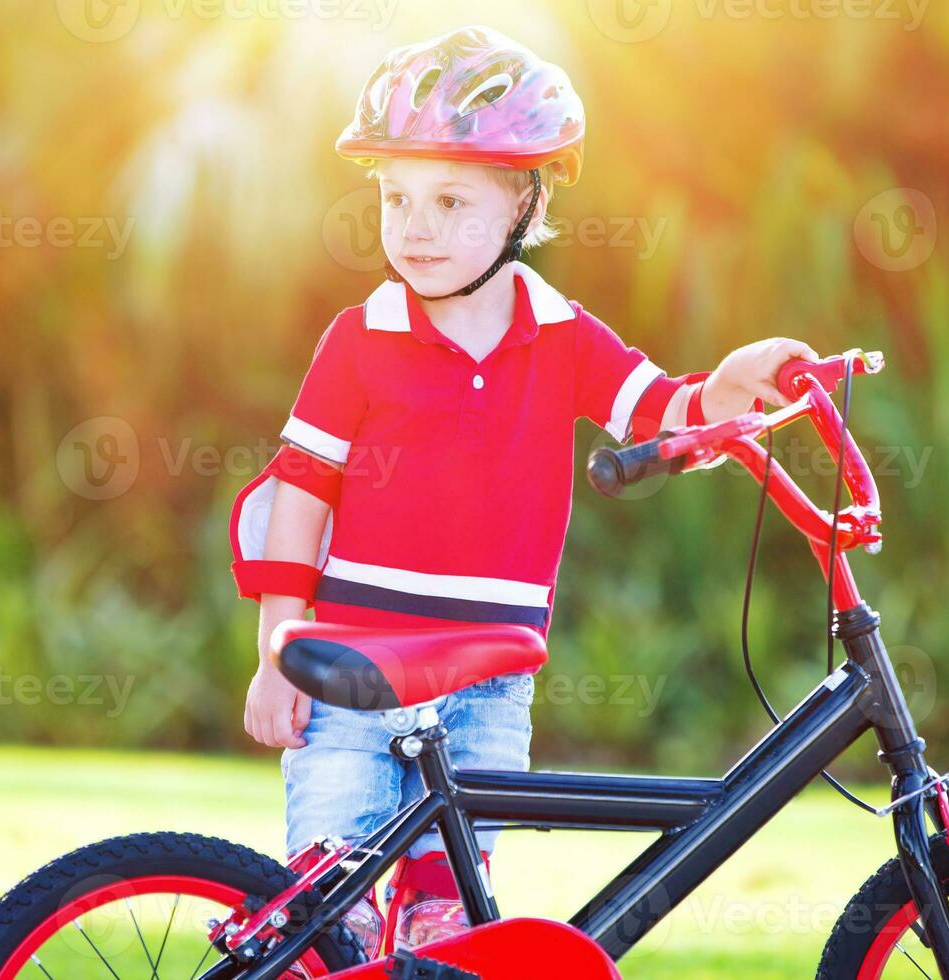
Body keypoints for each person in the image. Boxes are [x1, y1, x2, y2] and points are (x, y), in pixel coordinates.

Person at [229, 24, 818, 955]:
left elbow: (661, 411)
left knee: (447, 918)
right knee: (327, 913)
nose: (414, 227)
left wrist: (726, 386)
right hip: (348, 670)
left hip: (488, 681)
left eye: (450, 200)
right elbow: (299, 495)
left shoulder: (564, 337)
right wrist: (275, 653)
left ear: (520, 207)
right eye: (395, 198)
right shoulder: (360, 340)